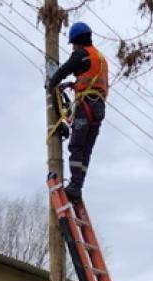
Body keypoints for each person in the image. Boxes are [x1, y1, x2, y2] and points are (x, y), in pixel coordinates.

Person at [46, 21, 109, 203]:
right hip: (99, 109)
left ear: (78, 41)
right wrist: (75, 85)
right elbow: (91, 79)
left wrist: (51, 84)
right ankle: (77, 186)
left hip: (87, 106)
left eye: (73, 43)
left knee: (76, 146)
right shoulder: (100, 58)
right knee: (85, 150)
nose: (73, 47)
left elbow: (63, 71)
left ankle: (74, 186)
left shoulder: (82, 54)